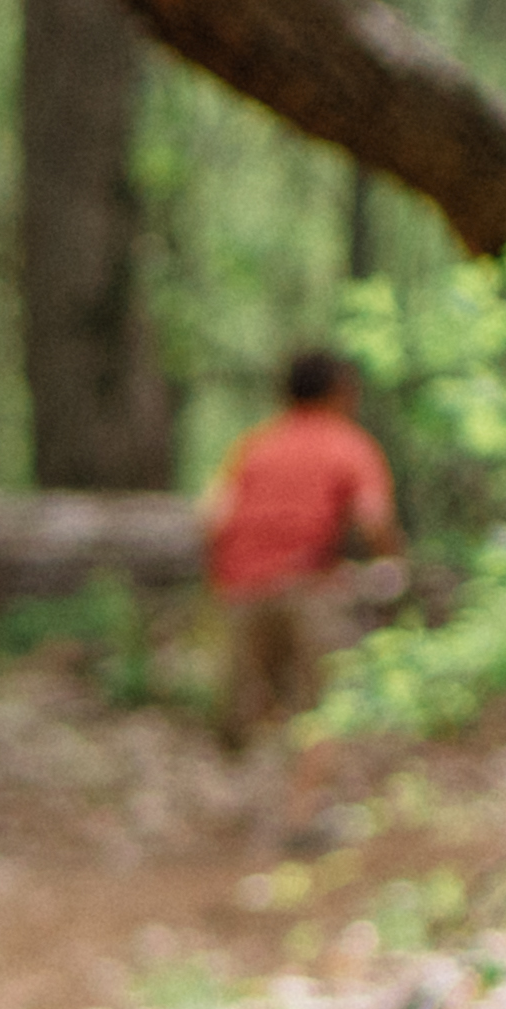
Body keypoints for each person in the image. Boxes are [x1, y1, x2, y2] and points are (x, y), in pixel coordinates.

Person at [202, 345, 403, 808]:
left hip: (240, 592)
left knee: (252, 706)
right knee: (323, 704)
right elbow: (374, 517)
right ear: (339, 390)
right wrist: (393, 567)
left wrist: (221, 580)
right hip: (311, 589)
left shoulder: (255, 446)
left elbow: (212, 517)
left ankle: (243, 808)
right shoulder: (347, 443)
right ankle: (302, 816)